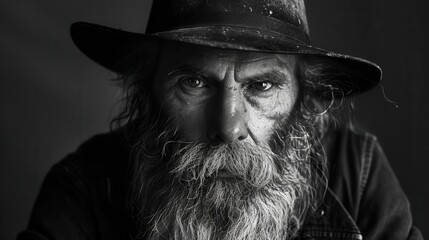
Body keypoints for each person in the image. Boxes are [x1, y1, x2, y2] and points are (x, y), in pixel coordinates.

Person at [17, 0, 422, 239]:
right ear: (147, 89)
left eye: (262, 86)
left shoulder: (358, 173)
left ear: (305, 98)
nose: (228, 128)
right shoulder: (84, 189)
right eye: (194, 82)